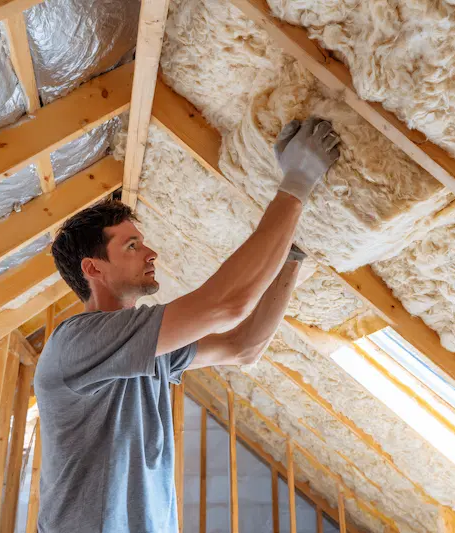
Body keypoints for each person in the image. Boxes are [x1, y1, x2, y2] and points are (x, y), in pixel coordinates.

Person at [33, 117, 340, 532]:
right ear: (93, 268)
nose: (150, 252)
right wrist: (299, 179)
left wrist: (289, 256)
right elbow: (227, 304)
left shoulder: (149, 350)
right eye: (132, 245)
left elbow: (243, 346)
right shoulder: (75, 343)